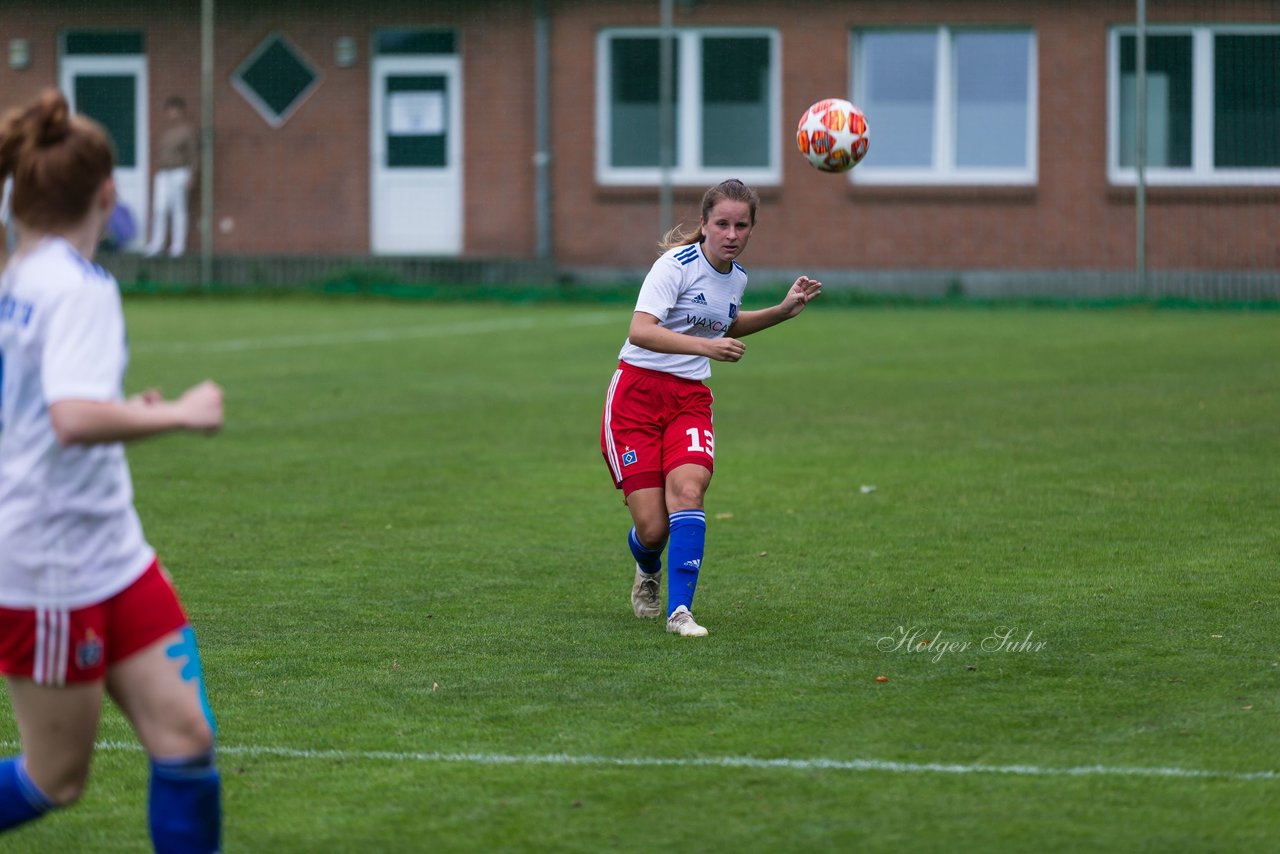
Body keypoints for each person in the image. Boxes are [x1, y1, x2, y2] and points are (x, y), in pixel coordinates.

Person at [0, 89, 223, 851]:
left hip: (112, 552)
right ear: (107, 193)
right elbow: (70, 417)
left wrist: (120, 404)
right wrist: (179, 413)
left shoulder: (20, 276)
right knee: (54, 777)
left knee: (185, 736)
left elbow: (51, 407)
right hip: (53, 562)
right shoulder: (78, 288)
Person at [599, 178, 822, 637]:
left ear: (751, 229)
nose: (732, 234)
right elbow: (640, 331)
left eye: (742, 225)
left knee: (689, 493)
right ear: (703, 224)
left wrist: (782, 311)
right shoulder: (674, 266)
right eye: (722, 223)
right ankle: (647, 569)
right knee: (653, 530)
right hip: (636, 396)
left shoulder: (737, 277)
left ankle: (680, 613)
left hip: (689, 400)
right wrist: (705, 348)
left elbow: (725, 324)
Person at [143, 96, 197, 258]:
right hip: (163, 173)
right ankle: (156, 244)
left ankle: (178, 246)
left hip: (179, 172)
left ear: (181, 111)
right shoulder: (164, 131)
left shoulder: (187, 130)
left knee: (178, 209)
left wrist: (192, 174)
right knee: (159, 208)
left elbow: (193, 155)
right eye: (169, 110)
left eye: (175, 110)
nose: (172, 113)